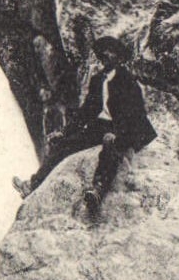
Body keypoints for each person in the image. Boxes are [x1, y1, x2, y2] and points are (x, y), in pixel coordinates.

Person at [13, 37, 156, 218]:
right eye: (102, 53)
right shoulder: (98, 80)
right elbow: (87, 111)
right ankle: (33, 185)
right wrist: (64, 132)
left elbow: (134, 113)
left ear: (118, 56)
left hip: (127, 127)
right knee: (64, 144)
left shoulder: (128, 80)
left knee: (110, 148)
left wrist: (118, 134)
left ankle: (98, 190)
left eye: (110, 52)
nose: (106, 56)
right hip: (103, 124)